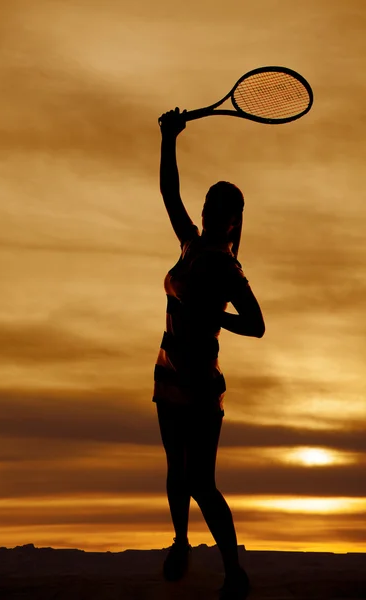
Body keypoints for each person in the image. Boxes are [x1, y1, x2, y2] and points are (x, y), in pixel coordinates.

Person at [153, 108, 265, 600]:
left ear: (231, 220)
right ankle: (181, 541)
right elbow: (168, 193)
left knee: (201, 480)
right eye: (208, 206)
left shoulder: (226, 268)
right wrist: (168, 138)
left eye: (218, 211)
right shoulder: (190, 246)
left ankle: (232, 571)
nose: (207, 214)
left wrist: (213, 317)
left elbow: (257, 325)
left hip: (201, 382)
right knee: (176, 471)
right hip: (167, 371)